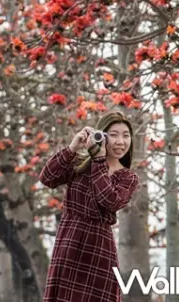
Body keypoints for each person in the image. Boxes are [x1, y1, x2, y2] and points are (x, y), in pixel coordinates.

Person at [38, 111, 140, 302]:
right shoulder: (79, 165)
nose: (120, 142)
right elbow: (47, 178)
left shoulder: (128, 177)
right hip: (69, 242)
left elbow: (109, 200)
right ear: (101, 136)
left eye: (126, 136)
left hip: (99, 250)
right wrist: (72, 147)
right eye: (114, 135)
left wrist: (99, 160)